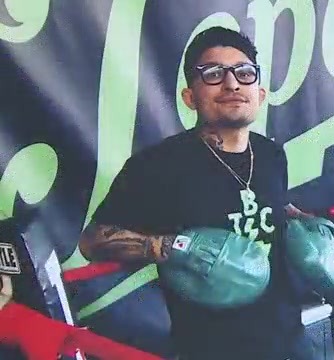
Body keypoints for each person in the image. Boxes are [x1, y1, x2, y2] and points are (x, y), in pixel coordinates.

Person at [78, 26, 319, 360]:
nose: (232, 83)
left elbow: (263, 202)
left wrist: (299, 220)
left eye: (244, 73)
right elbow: (91, 241)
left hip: (291, 338)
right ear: (189, 96)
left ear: (260, 94)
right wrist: (161, 247)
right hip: (210, 350)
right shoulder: (157, 166)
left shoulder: (271, 154)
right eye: (214, 74)